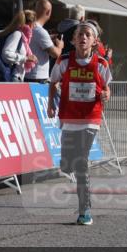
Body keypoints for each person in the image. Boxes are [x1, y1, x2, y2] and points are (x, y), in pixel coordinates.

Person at [47, 22, 111, 226]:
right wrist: (50, 104)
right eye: (80, 34)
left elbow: (107, 89)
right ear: (73, 40)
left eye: (87, 35)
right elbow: (53, 83)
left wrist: (105, 95)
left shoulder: (101, 63)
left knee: (81, 162)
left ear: (94, 42)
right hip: (69, 116)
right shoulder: (64, 60)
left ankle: (85, 210)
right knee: (67, 164)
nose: (83, 37)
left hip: (91, 117)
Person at [26, 0, 62, 83]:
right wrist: (60, 46)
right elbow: (55, 54)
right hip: (37, 76)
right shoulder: (40, 31)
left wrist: (48, 38)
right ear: (48, 12)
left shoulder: (30, 26)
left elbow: (36, 40)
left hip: (27, 73)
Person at [0, 10, 37, 82]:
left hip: (17, 77)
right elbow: (6, 54)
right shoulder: (17, 34)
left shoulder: (23, 37)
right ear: (30, 23)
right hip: (13, 76)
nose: (35, 26)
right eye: (35, 23)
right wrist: (25, 58)